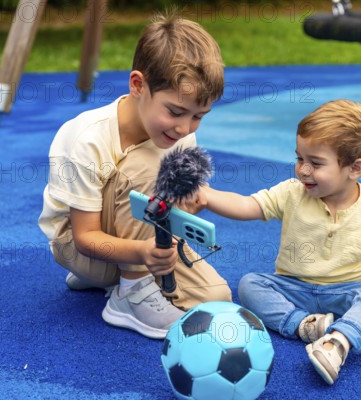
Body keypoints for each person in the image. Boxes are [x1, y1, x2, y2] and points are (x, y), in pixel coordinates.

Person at [38, 13, 231, 340]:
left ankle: (109, 277)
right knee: (148, 163)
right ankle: (130, 291)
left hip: (133, 242)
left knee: (217, 298)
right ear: (138, 85)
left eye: (199, 116)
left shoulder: (179, 135)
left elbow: (171, 210)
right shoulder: (88, 139)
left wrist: (187, 206)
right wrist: (141, 256)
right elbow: (85, 237)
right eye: (175, 111)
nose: (185, 128)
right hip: (80, 246)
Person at [203, 99, 361, 384]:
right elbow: (248, 205)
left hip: (347, 292)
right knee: (250, 284)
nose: (303, 170)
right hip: (294, 286)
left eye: (316, 163)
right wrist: (206, 196)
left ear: (355, 168)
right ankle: (305, 326)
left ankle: (337, 342)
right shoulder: (292, 193)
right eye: (300, 158)